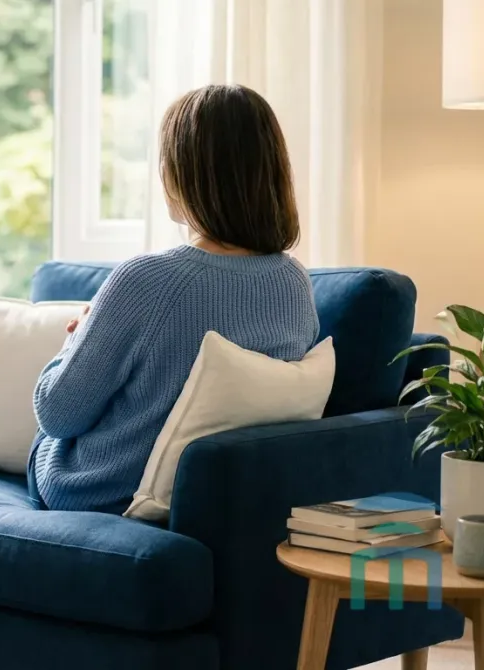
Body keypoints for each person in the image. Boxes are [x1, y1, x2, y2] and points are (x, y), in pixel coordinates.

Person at [28, 84, 320, 515]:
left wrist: (76, 340)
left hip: (100, 493)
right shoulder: (294, 282)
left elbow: (58, 414)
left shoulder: (145, 280)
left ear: (186, 173)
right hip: (221, 498)